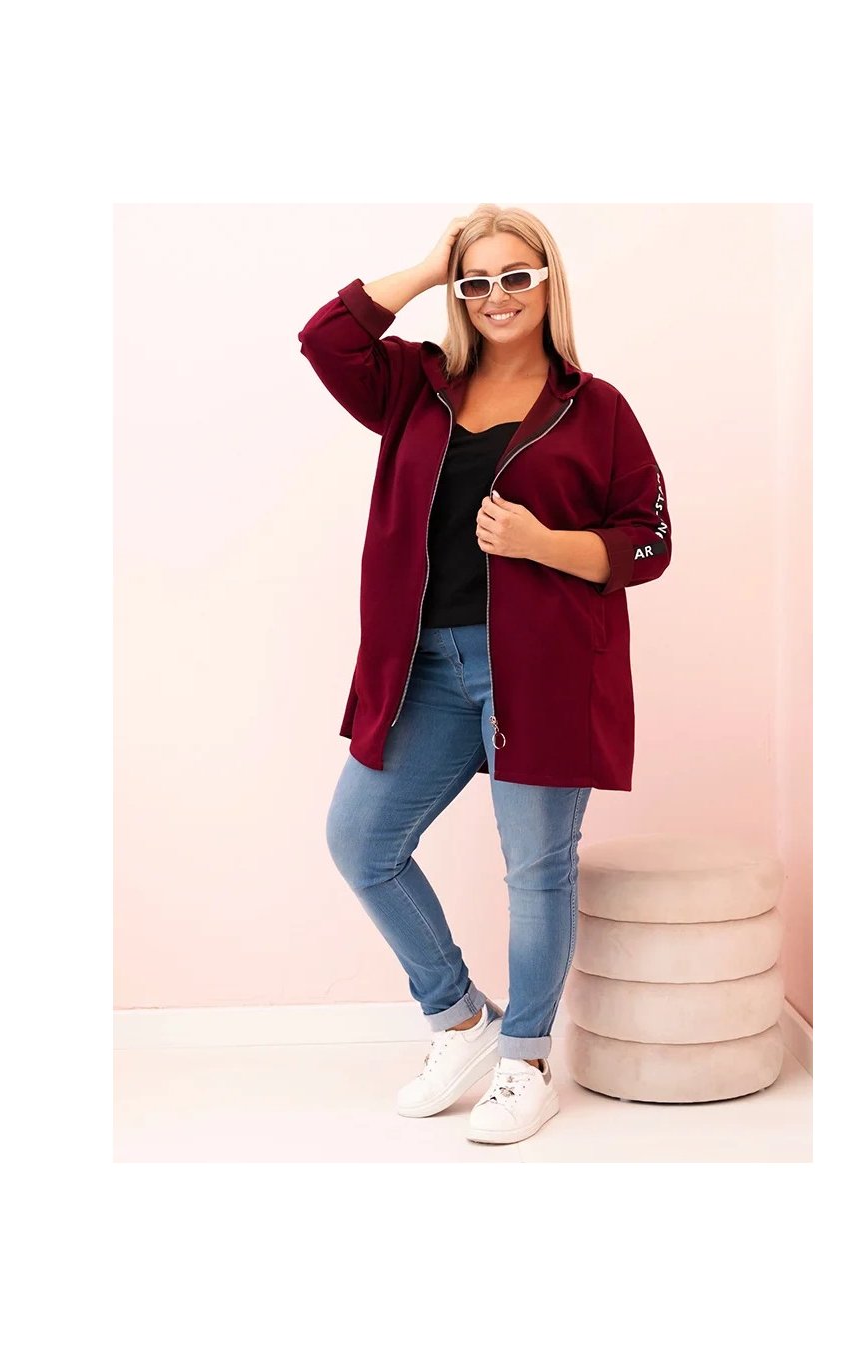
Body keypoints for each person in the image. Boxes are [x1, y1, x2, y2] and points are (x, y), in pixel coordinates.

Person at [299, 205, 673, 1145]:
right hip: (423, 667)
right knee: (360, 840)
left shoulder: (597, 408)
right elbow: (326, 339)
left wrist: (545, 543)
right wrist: (433, 264)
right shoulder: (415, 385)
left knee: (536, 867)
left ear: (548, 281)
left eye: (516, 276)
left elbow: (651, 540)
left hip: (542, 670)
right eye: (477, 280)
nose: (497, 295)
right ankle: (462, 1020)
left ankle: (528, 1061)